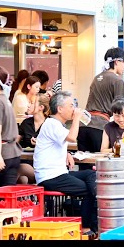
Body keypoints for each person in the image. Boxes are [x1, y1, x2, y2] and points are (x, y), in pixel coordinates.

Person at [34, 91, 98, 236]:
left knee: (91, 174)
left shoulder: (55, 124)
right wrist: (76, 119)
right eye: (71, 105)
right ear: (60, 109)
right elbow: (71, 137)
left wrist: (66, 153)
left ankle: (91, 223)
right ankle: (86, 228)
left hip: (58, 173)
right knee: (89, 191)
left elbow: (57, 143)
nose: (74, 108)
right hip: (50, 176)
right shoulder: (52, 124)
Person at [76, 47, 124, 163]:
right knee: (100, 165)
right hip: (99, 126)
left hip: (83, 125)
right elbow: (121, 107)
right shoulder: (117, 80)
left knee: (84, 164)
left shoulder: (96, 78)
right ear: (117, 62)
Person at [16, 93, 51, 184]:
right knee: (22, 178)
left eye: (32, 103)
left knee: (19, 169)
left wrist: (41, 143)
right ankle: (24, 197)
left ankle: (3, 195)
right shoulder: (26, 123)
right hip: (26, 160)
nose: (28, 105)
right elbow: (16, 141)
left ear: (41, 107)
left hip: (43, 164)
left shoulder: (50, 123)